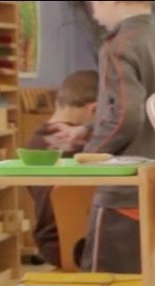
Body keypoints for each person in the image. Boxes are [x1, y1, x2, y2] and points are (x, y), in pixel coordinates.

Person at [47, 1, 155, 274]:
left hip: (124, 189)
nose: (93, 13)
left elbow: (127, 116)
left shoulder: (118, 46)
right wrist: (85, 132)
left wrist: (89, 155)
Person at [25, 70, 98, 268]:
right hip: (78, 246)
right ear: (93, 110)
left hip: (48, 242)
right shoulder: (81, 147)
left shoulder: (35, 142)